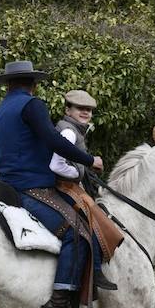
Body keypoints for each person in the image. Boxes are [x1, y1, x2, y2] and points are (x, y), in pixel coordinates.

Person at [0, 61, 114, 308]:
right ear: (33, 83)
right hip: (32, 188)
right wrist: (89, 160)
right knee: (78, 233)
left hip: (7, 187)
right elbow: (53, 141)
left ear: (8, 84)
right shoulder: (32, 105)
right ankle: (58, 305)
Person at [49, 90, 123, 290]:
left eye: (89, 110)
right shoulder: (69, 132)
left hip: (70, 185)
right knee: (92, 220)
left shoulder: (74, 130)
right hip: (65, 186)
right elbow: (56, 165)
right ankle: (95, 272)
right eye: (80, 109)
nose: (85, 113)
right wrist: (79, 172)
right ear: (68, 110)